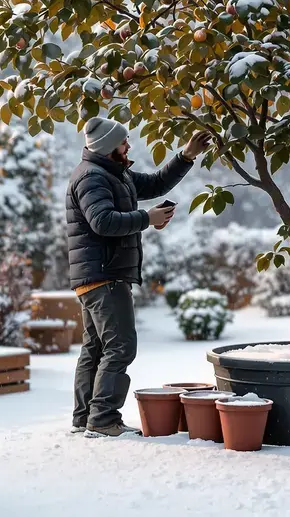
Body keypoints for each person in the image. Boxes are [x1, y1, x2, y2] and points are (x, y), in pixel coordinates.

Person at [67, 116, 213, 437]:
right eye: (123, 142)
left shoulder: (113, 173)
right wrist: (147, 218)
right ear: (108, 146)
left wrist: (186, 156)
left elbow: (155, 184)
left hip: (99, 274)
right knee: (120, 347)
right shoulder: (92, 177)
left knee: (96, 348)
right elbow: (103, 222)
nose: (128, 146)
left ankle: (85, 417)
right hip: (105, 275)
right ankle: (103, 419)